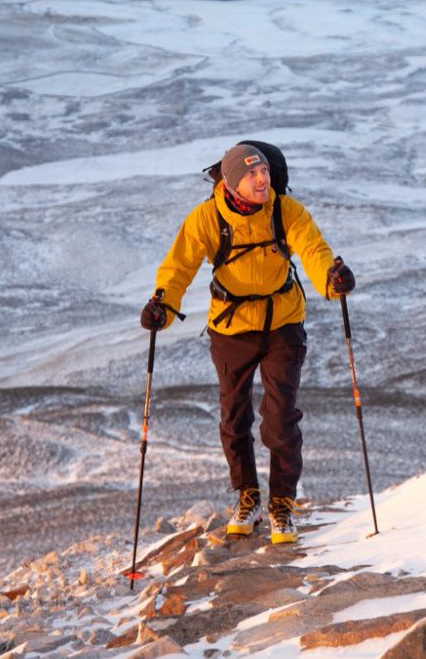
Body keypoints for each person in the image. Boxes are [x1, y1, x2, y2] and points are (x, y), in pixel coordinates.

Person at [140, 143, 355, 544]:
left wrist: (331, 278)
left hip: (283, 323)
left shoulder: (285, 211)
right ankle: (248, 495)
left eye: (265, 173)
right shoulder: (207, 218)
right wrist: (162, 306)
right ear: (232, 183)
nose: (262, 180)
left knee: (280, 417)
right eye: (252, 175)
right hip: (231, 327)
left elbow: (312, 248)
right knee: (234, 416)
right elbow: (179, 266)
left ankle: (283, 504)